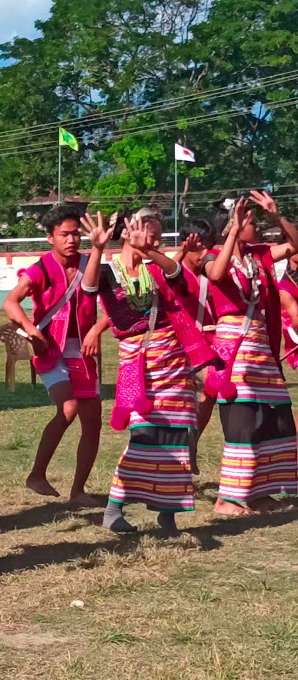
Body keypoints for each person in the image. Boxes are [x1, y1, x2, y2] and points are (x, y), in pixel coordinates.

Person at [80, 210, 218, 534]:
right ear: (127, 232)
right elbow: (87, 290)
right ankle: (114, 509)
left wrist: (150, 251)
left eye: (157, 236)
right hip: (137, 364)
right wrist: (97, 247)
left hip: (172, 359)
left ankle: (167, 514)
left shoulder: (155, 266)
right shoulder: (107, 271)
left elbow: (177, 276)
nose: (155, 240)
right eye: (149, 234)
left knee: (177, 434)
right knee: (143, 435)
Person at [201, 192, 298, 515]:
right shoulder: (211, 255)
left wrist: (276, 216)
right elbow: (216, 275)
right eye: (251, 222)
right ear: (233, 226)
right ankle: (226, 498)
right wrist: (231, 234)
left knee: (275, 419)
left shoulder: (259, 256)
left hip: (261, 349)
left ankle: (260, 492)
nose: (254, 227)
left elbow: (296, 246)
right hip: (235, 348)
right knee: (244, 422)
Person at [2, 206, 105, 507]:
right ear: (50, 238)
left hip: (82, 351)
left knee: (93, 421)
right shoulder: (41, 269)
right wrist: (32, 330)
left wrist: (97, 329)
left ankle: (78, 491)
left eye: (76, 233)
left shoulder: (91, 263)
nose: (71, 239)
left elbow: (116, 302)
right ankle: (37, 474)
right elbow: (11, 302)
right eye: (64, 234)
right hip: (50, 350)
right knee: (68, 407)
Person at [171, 220, 219, 436]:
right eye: (198, 247)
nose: (204, 253)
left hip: (211, 342)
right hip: (183, 345)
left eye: (207, 246)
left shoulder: (212, 272)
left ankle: (193, 440)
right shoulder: (176, 272)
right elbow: (164, 279)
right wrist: (181, 253)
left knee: (210, 392)